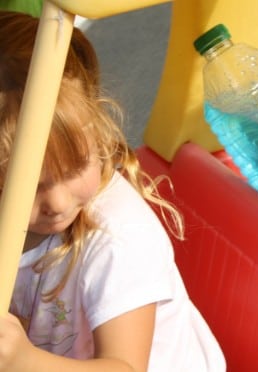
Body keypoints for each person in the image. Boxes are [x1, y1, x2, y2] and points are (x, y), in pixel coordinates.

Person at [0, 10, 226, 372]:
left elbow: (125, 367)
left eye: (75, 168)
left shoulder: (118, 238)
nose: (57, 204)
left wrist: (24, 360)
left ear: (97, 131)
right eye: (26, 186)